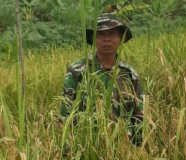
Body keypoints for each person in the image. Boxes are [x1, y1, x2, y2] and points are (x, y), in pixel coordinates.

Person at [60, 14, 144, 146]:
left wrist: (139, 148)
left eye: (112, 34)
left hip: (124, 146)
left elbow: (139, 115)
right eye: (101, 35)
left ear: (121, 38)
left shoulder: (129, 74)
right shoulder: (78, 71)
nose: (106, 40)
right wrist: (68, 149)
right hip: (87, 147)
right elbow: (66, 113)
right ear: (93, 39)